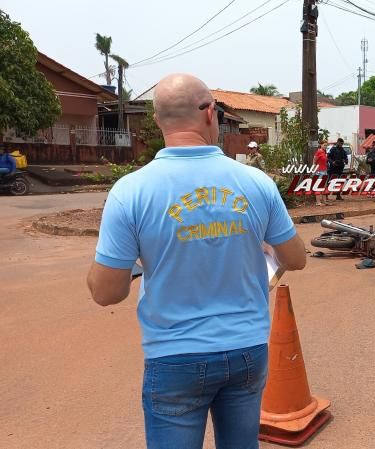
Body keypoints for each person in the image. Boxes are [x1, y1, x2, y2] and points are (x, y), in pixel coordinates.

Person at [86, 73, 307, 449]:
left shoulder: (130, 192)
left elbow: (106, 293)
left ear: (157, 121)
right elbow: (296, 259)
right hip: (246, 351)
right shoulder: (256, 183)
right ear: (210, 114)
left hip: (175, 357)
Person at [313, 141, 329, 206]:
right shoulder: (319, 151)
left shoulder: (324, 152)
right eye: (324, 145)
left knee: (324, 186)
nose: (325, 146)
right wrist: (314, 169)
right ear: (321, 145)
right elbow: (314, 160)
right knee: (318, 186)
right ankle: (318, 202)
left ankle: (324, 201)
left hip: (324, 170)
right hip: (319, 170)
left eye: (326, 145)